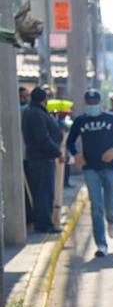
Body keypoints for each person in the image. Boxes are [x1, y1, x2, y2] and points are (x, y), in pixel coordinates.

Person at [65, 89, 113, 256]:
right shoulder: (81, 121)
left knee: (111, 205)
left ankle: (112, 221)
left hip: (112, 168)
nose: (92, 107)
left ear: (101, 103)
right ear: (85, 104)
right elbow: (70, 142)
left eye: (95, 103)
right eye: (89, 104)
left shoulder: (112, 119)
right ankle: (101, 245)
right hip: (90, 168)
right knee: (96, 206)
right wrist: (76, 154)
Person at [21, 86, 65, 233]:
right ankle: (44, 224)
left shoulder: (34, 112)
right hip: (41, 159)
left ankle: (43, 222)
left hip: (41, 158)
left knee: (43, 192)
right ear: (44, 99)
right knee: (43, 193)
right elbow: (43, 138)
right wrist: (58, 152)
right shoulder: (35, 114)